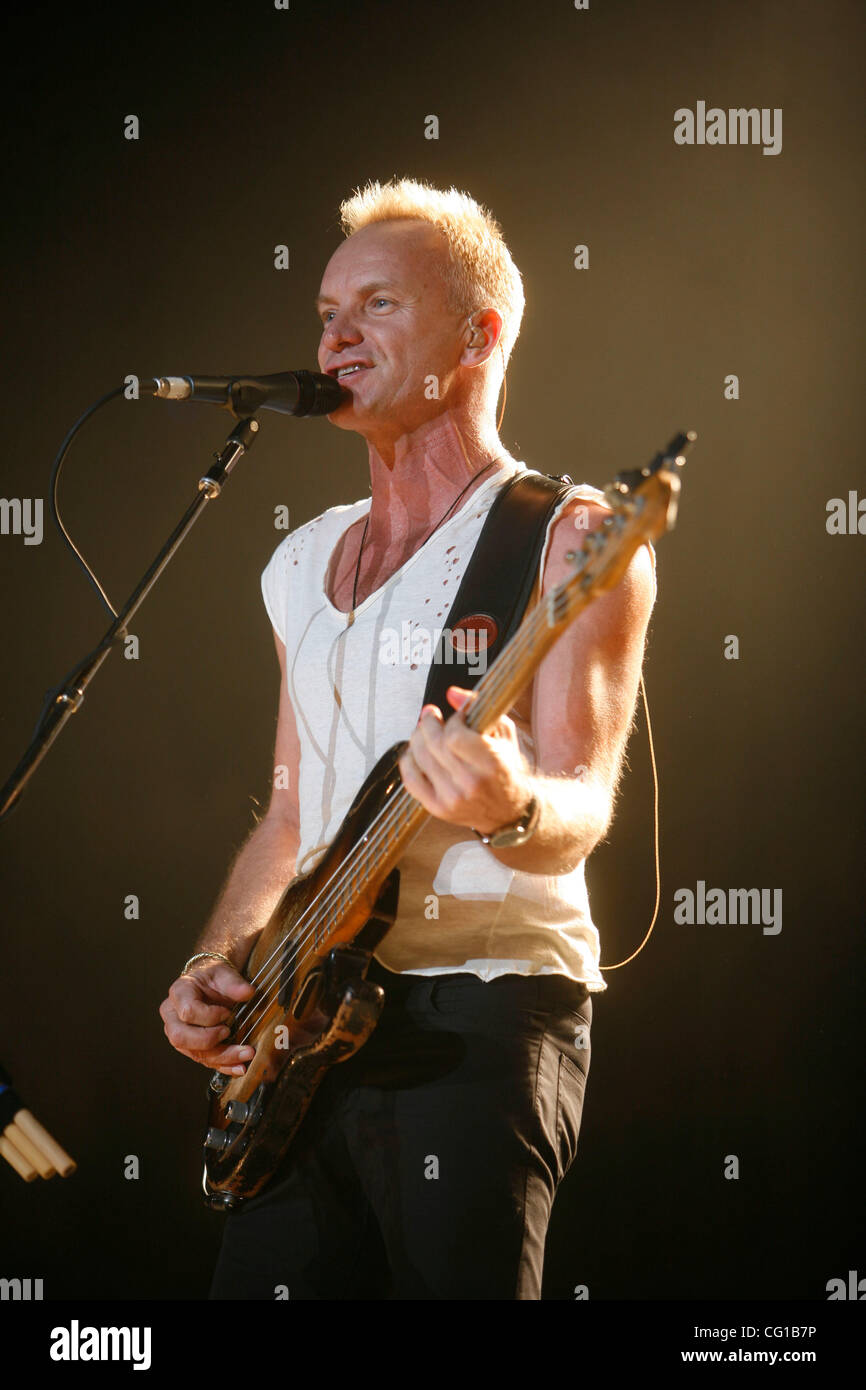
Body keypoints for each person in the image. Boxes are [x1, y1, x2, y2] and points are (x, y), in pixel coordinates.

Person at [159, 177, 657, 1299]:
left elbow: (580, 804)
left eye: (375, 306)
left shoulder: (564, 536)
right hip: (302, 1028)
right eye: (326, 312)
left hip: (474, 1016)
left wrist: (509, 804)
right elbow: (290, 813)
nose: (334, 336)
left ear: (475, 334)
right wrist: (221, 961)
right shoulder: (299, 560)